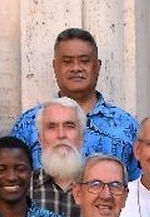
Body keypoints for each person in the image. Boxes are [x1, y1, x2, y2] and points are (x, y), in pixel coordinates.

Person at [11, 29, 139, 178]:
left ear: (98, 66)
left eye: (84, 61)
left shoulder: (126, 126)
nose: (76, 68)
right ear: (55, 66)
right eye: (67, 61)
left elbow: (139, 185)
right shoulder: (28, 124)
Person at [28, 97, 87, 217]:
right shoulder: (26, 187)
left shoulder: (98, 188)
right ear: (40, 139)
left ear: (81, 137)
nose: (61, 135)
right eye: (52, 127)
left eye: (69, 126)